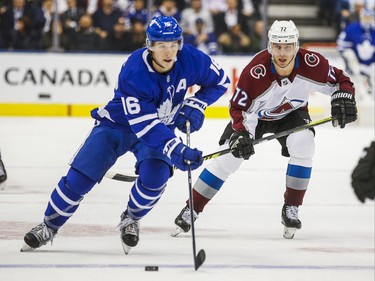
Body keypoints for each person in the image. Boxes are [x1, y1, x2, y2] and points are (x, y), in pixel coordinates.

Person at [21, 16, 229, 254]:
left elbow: (220, 81)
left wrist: (197, 103)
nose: (169, 51)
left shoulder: (191, 58)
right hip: (118, 126)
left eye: (173, 44)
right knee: (78, 179)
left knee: (155, 178)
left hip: (160, 128)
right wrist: (176, 149)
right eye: (161, 45)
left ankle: (131, 218)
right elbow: (144, 125)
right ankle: (49, 225)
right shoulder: (135, 70)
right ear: (149, 45)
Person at [172, 19, 357, 240]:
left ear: (296, 46)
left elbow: (341, 81)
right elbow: (238, 108)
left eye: (288, 46)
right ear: (270, 46)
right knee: (229, 159)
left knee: (304, 145)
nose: (282, 52)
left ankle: (291, 207)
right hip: (255, 118)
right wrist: (241, 133)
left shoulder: (312, 63)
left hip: (292, 115)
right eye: (277, 46)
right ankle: (192, 208)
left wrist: (344, 97)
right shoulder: (255, 72)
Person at [336, 7, 375, 99]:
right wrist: (353, 65)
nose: (367, 20)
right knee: (355, 89)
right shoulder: (352, 28)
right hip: (356, 66)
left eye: (369, 18)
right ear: (361, 17)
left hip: (373, 66)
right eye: (365, 17)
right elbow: (342, 47)